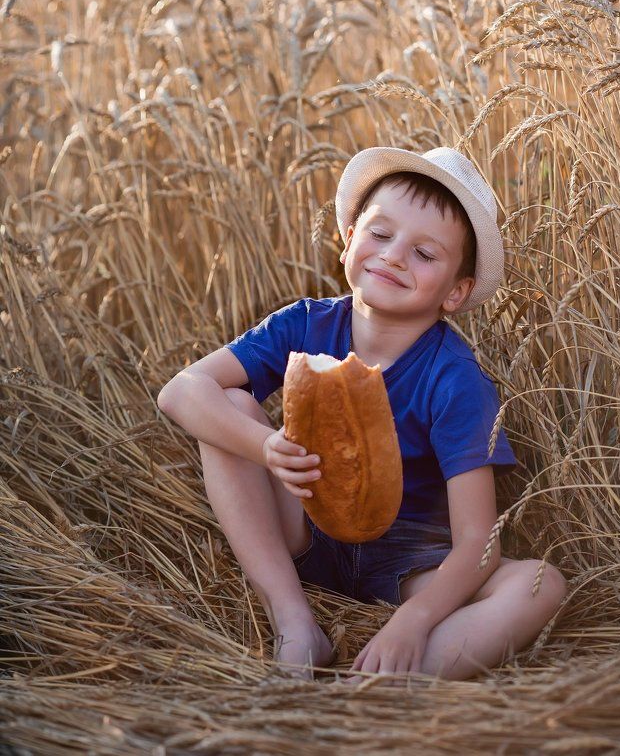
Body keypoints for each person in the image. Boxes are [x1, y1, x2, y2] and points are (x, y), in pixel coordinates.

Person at [157, 146, 568, 683]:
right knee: (226, 405)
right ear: (349, 237)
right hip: (303, 530)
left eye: (425, 253)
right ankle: (295, 622)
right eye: (380, 233)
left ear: (457, 291)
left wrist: (414, 620)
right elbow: (179, 392)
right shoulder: (303, 324)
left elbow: (477, 542)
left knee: (540, 583)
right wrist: (264, 448)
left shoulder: (455, 379)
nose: (394, 256)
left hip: (408, 565)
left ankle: (388, 680)